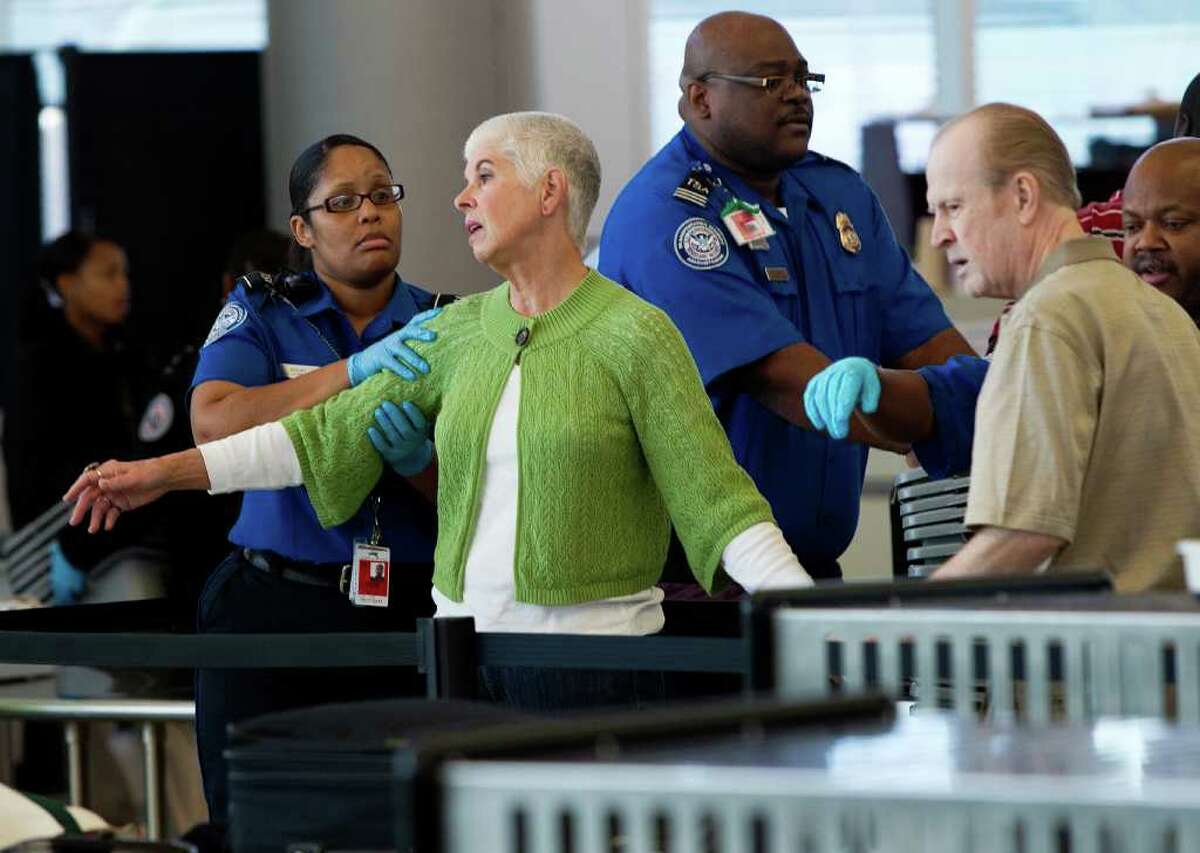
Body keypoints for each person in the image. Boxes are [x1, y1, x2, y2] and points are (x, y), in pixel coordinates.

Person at [65, 112, 814, 710]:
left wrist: (822, 627)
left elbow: (720, 503)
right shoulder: (451, 331)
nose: (459, 197)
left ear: (549, 193)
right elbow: (315, 437)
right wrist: (159, 473)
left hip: (597, 670)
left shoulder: (637, 334)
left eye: (483, 176)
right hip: (460, 670)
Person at [597, 11, 975, 582]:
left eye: (804, 80)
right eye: (772, 82)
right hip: (696, 583)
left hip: (813, 567)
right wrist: (929, 421)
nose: (798, 96)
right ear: (701, 99)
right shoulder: (667, 215)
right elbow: (784, 382)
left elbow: (926, 341)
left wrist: (992, 406)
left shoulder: (837, 195)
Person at [816, 105, 1200, 591]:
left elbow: (1021, 535)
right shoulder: (1157, 309)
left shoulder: (1049, 318)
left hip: (1086, 648)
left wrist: (907, 621)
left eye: (954, 207)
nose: (939, 234)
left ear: (1022, 196)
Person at [176, 134, 442, 825]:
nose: (370, 214)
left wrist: (421, 466)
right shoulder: (264, 312)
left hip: (408, 608)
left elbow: (480, 492)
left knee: (403, 819)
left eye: (384, 195)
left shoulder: (442, 322)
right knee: (260, 819)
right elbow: (214, 422)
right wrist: (348, 374)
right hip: (275, 602)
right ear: (303, 229)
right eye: (344, 202)